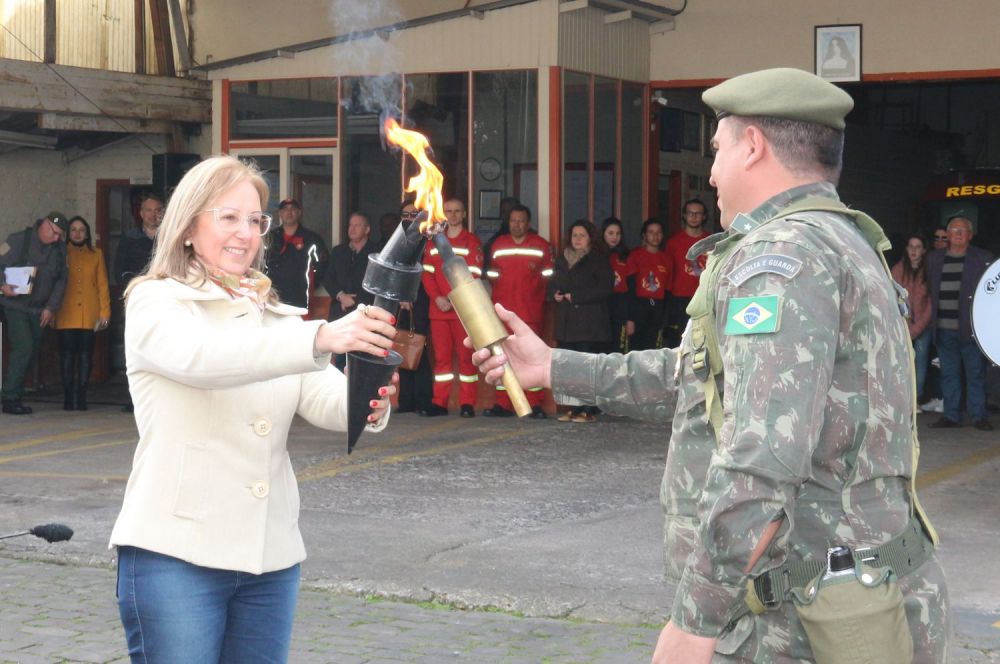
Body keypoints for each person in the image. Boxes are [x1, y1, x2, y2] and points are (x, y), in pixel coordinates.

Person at [470, 68, 950, 663]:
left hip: (801, 621)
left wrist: (695, 621)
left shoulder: (780, 259)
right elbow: (703, 376)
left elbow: (761, 458)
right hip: (848, 592)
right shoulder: (841, 240)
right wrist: (554, 367)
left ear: (754, 147)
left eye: (718, 150)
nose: (713, 172)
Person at [108, 155, 397, 663]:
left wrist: (369, 394)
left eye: (255, 221)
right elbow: (206, 360)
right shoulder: (155, 301)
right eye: (228, 217)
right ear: (189, 227)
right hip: (175, 555)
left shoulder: (276, 317)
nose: (246, 233)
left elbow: (326, 399)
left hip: (270, 558)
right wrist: (324, 334)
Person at [483, 204, 552, 418]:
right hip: (502, 310)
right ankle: (504, 403)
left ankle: (534, 404)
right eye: (513, 220)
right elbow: (492, 276)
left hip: (531, 310)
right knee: (502, 357)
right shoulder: (498, 244)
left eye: (521, 220)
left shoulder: (541, 245)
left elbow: (548, 276)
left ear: (528, 223)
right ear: (508, 222)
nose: (517, 224)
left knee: (532, 356)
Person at [926, 215, 994, 430]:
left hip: (971, 329)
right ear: (947, 235)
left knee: (975, 373)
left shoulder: (984, 258)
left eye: (961, 230)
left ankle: (978, 416)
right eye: (953, 230)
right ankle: (951, 416)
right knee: (949, 373)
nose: (957, 234)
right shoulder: (933, 259)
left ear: (970, 235)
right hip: (943, 329)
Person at [0, 212, 69, 415]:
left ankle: (14, 392)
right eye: (54, 233)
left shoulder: (59, 249)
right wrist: (2, 285)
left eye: (60, 235)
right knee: (24, 346)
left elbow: (61, 280)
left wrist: (51, 307)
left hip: (39, 309)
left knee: (31, 350)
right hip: (15, 305)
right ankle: (10, 397)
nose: (56, 238)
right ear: (45, 225)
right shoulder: (18, 240)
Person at [420, 198, 483, 417]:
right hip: (439, 311)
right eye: (449, 211)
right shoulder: (434, 242)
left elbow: (473, 275)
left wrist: (456, 299)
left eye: (457, 211)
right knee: (442, 360)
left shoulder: (471, 242)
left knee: (466, 359)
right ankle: (440, 402)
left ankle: (467, 404)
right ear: (443, 215)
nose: (453, 215)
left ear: (464, 214)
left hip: (464, 310)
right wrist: (437, 297)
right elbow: (427, 275)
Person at [548, 220, 612, 422]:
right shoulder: (562, 259)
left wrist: (576, 296)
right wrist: (554, 294)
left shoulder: (598, 259)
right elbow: (553, 282)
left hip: (589, 325)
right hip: (567, 324)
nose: (577, 239)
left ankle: (589, 409)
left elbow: (605, 288)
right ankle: (573, 408)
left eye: (582, 235)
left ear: (590, 238)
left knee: (587, 368)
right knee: (569, 368)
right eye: (574, 235)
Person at [55, 216, 111, 411]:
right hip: (65, 310)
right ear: (68, 233)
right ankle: (68, 396)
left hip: (89, 311)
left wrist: (105, 312)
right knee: (67, 355)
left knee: (86, 356)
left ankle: (82, 395)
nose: (77, 233)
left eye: (81, 230)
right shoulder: (61, 253)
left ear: (87, 233)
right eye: (73, 230)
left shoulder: (96, 254)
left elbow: (102, 284)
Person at [114, 192, 164, 413]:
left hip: (165, 300)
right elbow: (119, 269)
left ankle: (160, 397)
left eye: (157, 210)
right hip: (138, 300)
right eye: (149, 211)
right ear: (141, 213)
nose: (153, 215)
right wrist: (133, 290)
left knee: (162, 348)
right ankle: (133, 397)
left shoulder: (171, 237)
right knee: (135, 348)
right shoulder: (130, 238)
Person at [323, 211, 379, 369]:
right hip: (340, 316)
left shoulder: (377, 253)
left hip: (367, 316)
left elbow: (379, 283)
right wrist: (340, 296)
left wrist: (355, 302)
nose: (352, 229)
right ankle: (343, 394)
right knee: (341, 362)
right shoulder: (338, 251)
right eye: (350, 225)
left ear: (367, 229)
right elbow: (328, 279)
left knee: (365, 362)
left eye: (357, 225)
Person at [396, 201, 433, 415]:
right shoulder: (398, 239)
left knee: (420, 348)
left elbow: (421, 270)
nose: (410, 217)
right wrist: (402, 296)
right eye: (406, 214)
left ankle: (423, 400)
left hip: (421, 298)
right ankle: (406, 400)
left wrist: (409, 294)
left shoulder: (425, 237)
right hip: (401, 301)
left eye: (414, 213)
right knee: (402, 347)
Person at [264, 198, 329, 312]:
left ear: (299, 213)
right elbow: (260, 264)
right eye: (285, 209)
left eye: (293, 209)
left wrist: (309, 284)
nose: (289, 213)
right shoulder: (270, 238)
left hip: (300, 299)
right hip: (272, 298)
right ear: (280, 213)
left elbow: (323, 266)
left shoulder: (312, 239)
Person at [663, 199, 710, 348]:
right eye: (690, 213)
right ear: (684, 215)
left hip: (704, 296)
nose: (694, 217)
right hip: (679, 299)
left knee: (704, 339)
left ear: (704, 216)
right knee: (680, 341)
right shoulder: (673, 243)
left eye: (698, 213)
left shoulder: (711, 241)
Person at [891, 234, 932, 404]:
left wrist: (917, 328)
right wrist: (906, 324)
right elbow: (894, 298)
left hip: (923, 325)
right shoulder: (897, 270)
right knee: (901, 362)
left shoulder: (930, 270)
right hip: (902, 325)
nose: (914, 250)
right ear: (906, 249)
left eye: (918, 247)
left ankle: (916, 399)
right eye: (911, 246)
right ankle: (901, 401)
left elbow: (931, 303)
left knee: (920, 360)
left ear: (923, 250)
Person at [625, 219, 671, 351]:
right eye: (651, 232)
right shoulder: (635, 255)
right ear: (644, 235)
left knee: (652, 349)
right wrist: (630, 318)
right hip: (639, 307)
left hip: (658, 308)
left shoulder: (666, 259)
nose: (655, 236)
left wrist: (665, 319)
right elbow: (630, 289)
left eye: (658, 232)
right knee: (635, 349)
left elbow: (667, 290)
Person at [603, 217, 631, 354]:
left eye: (618, 233)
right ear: (603, 233)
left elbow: (631, 285)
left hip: (621, 302)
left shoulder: (626, 255)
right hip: (601, 303)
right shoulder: (596, 255)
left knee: (618, 347)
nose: (614, 237)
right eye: (610, 233)